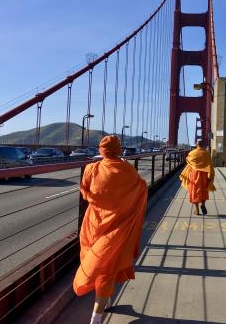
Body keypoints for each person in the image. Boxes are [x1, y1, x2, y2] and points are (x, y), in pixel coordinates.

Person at [73, 135, 148, 324]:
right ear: (119, 150)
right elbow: (141, 188)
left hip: (92, 225)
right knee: (108, 267)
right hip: (117, 228)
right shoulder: (129, 170)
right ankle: (97, 317)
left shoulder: (91, 168)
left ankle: (101, 305)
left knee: (96, 263)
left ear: (101, 151)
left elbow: (84, 190)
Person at [179, 139, 215, 215]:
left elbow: (188, 160)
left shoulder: (192, 153)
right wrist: (211, 175)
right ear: (203, 145)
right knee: (204, 189)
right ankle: (203, 204)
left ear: (196, 144)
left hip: (194, 174)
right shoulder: (207, 153)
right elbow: (210, 164)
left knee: (194, 190)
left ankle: (197, 210)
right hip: (205, 174)